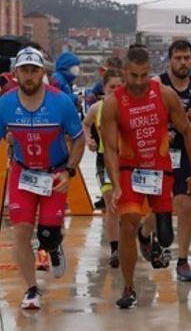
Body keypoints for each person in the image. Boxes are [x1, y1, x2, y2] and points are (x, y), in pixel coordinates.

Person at [100, 44, 191, 309]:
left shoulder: (165, 95)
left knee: (166, 237)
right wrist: (115, 184)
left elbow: (188, 132)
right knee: (128, 222)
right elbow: (110, 148)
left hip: (160, 170)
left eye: (144, 75)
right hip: (129, 171)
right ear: (124, 72)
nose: (139, 82)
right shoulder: (113, 103)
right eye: (133, 76)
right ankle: (128, 287)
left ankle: (146, 236)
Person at [0, 46, 86, 310]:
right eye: (24, 70)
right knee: (21, 231)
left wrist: (69, 171)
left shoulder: (60, 102)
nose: (29, 76)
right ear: (16, 73)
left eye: (34, 70)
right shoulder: (4, 104)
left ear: (43, 73)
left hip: (54, 174)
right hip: (23, 173)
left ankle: (53, 245)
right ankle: (31, 289)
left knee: (48, 233)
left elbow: (78, 139)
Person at [143, 40, 191, 282]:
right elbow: (143, 118)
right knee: (160, 209)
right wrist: (160, 133)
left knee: (185, 207)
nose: (183, 62)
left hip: (183, 156)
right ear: (170, 60)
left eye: (186, 58)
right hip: (157, 155)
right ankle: (144, 232)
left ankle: (182, 261)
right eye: (178, 58)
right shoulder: (157, 85)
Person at [82, 68, 123, 268]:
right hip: (104, 160)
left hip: (126, 161)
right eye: (111, 87)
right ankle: (115, 249)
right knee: (111, 204)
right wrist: (89, 139)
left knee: (128, 207)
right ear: (104, 88)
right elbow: (85, 124)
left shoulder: (130, 108)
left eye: (119, 87)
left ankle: (134, 239)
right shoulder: (96, 108)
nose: (115, 91)